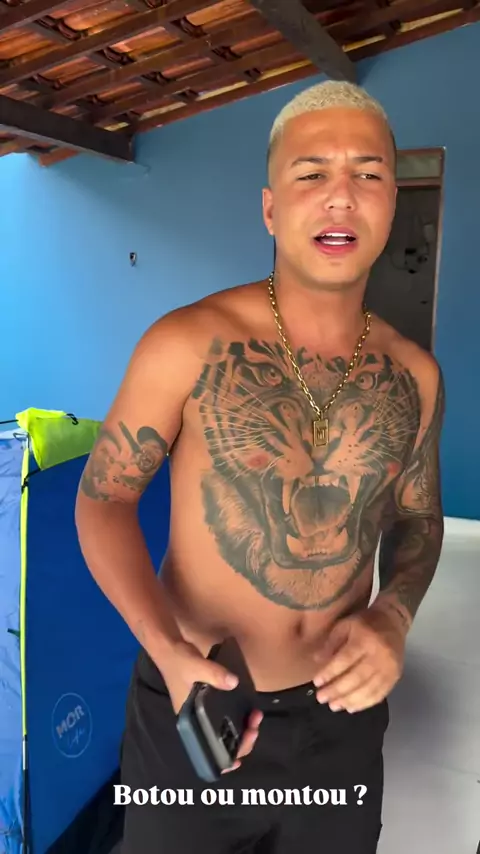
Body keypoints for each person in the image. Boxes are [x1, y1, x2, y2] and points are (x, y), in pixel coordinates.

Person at [75, 80, 445, 853]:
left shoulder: (415, 375)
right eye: (313, 173)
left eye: (368, 173)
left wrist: (393, 616)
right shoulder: (186, 343)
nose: (341, 195)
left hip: (342, 722)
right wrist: (167, 653)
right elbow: (103, 501)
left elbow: (418, 516)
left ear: (391, 204)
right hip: (198, 702)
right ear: (271, 209)